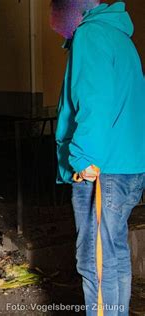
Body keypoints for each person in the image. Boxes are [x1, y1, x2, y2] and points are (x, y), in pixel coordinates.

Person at [51, 0, 145, 314]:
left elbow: (95, 100)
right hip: (125, 165)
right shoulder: (119, 36)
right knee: (114, 253)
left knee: (94, 260)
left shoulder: (91, 34)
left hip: (101, 169)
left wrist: (82, 156)